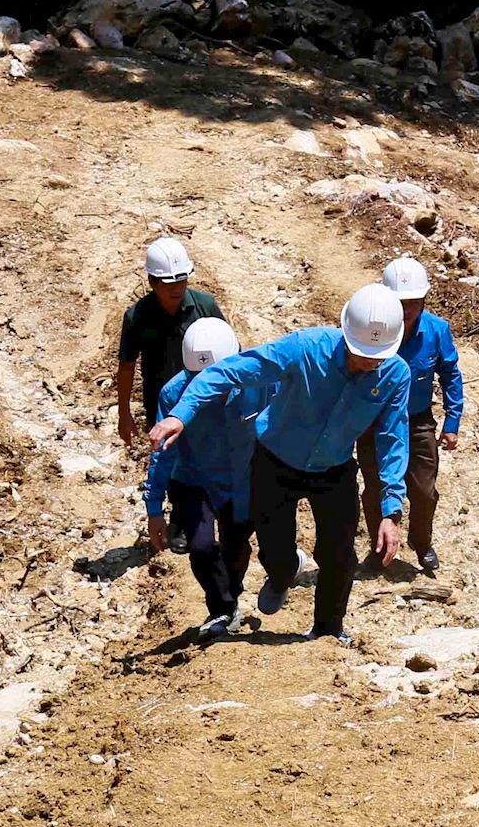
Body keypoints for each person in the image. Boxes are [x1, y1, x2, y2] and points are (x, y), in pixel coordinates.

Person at [150, 285, 411, 644]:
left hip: (333, 469)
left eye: (377, 355)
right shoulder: (304, 349)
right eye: (361, 352)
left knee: (339, 555)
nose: (369, 362)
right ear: (346, 334)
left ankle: (328, 629)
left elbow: (393, 439)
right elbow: (230, 371)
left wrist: (391, 511)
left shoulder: (395, 375)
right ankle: (284, 573)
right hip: (275, 463)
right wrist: (182, 413)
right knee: (276, 553)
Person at [143, 318, 271, 639]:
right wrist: (154, 508)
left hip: (242, 480)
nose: (207, 387)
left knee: (236, 544)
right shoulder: (174, 394)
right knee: (200, 546)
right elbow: (163, 453)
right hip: (192, 480)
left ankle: (232, 593)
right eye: (198, 378)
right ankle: (222, 609)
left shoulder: (259, 382)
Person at [354, 256, 464, 576]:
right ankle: (380, 551)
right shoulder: (371, 329)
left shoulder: (436, 331)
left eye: (413, 303)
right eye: (399, 303)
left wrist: (452, 420)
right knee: (375, 489)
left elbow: (450, 374)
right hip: (374, 422)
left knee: (423, 490)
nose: (406, 310)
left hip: (417, 421)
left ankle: (421, 541)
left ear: (423, 301)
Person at [117, 239, 225, 550]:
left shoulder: (204, 306)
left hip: (208, 396)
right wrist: (124, 413)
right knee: (173, 460)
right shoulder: (137, 316)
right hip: (164, 401)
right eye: (168, 283)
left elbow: (230, 350)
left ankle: (212, 508)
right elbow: (126, 366)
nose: (177, 288)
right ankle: (180, 517)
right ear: (151, 282)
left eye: (182, 280)